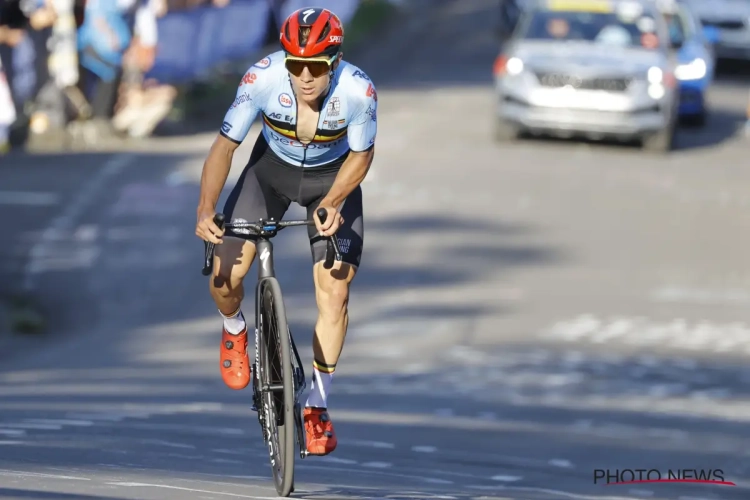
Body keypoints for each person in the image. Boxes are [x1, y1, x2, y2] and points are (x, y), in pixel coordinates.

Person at [194, 7, 377, 457]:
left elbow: (361, 156)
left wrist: (334, 201)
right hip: (269, 173)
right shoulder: (262, 79)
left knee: (335, 290)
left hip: (331, 179)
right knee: (225, 275)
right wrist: (206, 208)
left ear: (334, 63)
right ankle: (234, 327)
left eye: (316, 66)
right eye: (296, 65)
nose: (305, 76)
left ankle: (316, 403)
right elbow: (225, 146)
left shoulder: (359, 90)